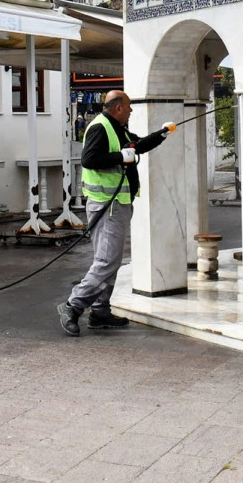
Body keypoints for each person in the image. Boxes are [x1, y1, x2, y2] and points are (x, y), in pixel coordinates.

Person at [57, 91, 174, 336]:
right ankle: (72, 306)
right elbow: (89, 159)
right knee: (107, 261)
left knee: (110, 260)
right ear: (118, 107)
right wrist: (121, 156)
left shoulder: (117, 128)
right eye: (129, 107)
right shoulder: (100, 127)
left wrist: (162, 134)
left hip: (116, 203)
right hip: (106, 204)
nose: (131, 111)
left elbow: (136, 145)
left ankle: (100, 312)